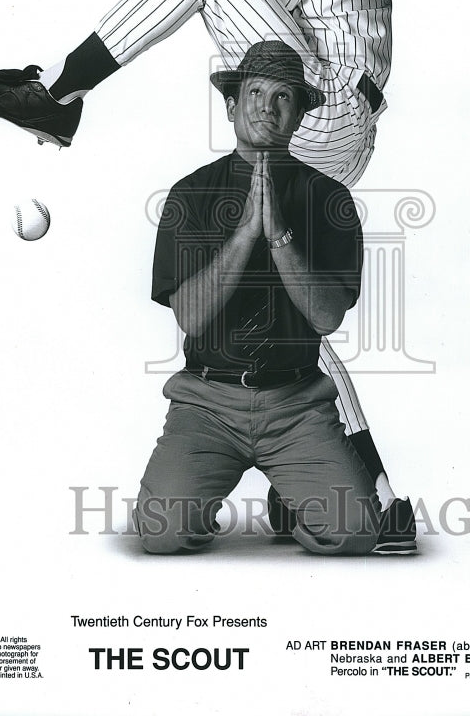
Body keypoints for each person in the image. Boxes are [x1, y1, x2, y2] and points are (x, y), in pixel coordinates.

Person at [0, 0, 415, 552]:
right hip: (330, 111)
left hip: (322, 106)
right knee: (294, 313)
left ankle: (55, 96)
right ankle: (380, 494)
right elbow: (259, 12)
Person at [134, 41, 379, 554]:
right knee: (160, 534)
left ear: (298, 115)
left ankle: (289, 495)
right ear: (231, 106)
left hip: (296, 405)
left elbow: (328, 317)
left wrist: (279, 233)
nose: (268, 107)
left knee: (356, 532)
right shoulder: (189, 195)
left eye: (284, 96)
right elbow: (192, 319)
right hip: (207, 403)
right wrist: (245, 233)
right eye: (256, 93)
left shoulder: (329, 198)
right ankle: (214, 495)